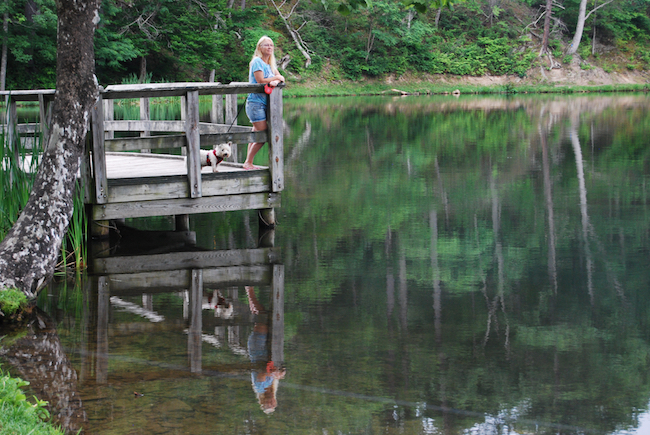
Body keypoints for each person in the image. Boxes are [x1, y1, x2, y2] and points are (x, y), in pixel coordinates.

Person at [243, 36, 285, 170]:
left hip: (265, 104)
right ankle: (248, 162)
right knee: (263, 135)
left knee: (257, 133)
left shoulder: (270, 64)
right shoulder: (257, 62)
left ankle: (248, 162)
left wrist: (276, 80)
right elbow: (260, 80)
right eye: (266, 45)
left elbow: (281, 78)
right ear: (260, 48)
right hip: (255, 103)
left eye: (271, 45)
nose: (269, 47)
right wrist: (275, 78)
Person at [246, 285, 286, 413]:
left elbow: (262, 374)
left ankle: (249, 290)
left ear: (263, 402)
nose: (271, 403)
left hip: (257, 350)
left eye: (268, 405)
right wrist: (281, 373)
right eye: (272, 405)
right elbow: (277, 371)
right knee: (261, 318)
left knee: (261, 315)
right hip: (266, 350)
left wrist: (273, 373)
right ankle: (250, 292)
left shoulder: (259, 388)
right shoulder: (274, 386)